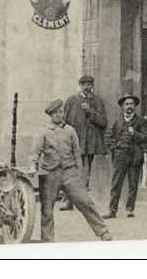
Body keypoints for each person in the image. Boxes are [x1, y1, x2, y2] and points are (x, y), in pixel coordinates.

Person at [29, 98, 112, 242]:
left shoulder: (70, 130)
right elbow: (34, 152)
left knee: (85, 202)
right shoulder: (43, 132)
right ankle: (48, 240)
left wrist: (79, 174)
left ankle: (103, 232)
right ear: (51, 115)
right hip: (50, 175)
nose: (59, 115)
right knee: (47, 210)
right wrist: (32, 165)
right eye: (55, 113)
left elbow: (77, 154)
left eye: (61, 112)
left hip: (69, 173)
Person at [104, 94, 147, 218]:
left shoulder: (141, 121)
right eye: (127, 104)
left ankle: (130, 209)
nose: (129, 106)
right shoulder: (116, 121)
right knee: (116, 184)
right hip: (120, 156)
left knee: (133, 184)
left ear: (135, 106)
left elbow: (146, 137)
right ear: (122, 107)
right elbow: (108, 137)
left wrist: (134, 133)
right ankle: (112, 210)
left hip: (135, 157)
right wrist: (114, 149)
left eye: (131, 104)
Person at [63, 75, 108, 189]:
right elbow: (65, 121)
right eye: (84, 85)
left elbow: (103, 122)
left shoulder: (98, 101)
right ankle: (70, 199)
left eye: (89, 85)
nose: (87, 87)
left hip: (91, 143)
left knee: (87, 170)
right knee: (73, 169)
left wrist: (90, 111)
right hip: (76, 141)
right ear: (80, 86)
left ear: (92, 86)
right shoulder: (72, 100)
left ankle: (84, 196)